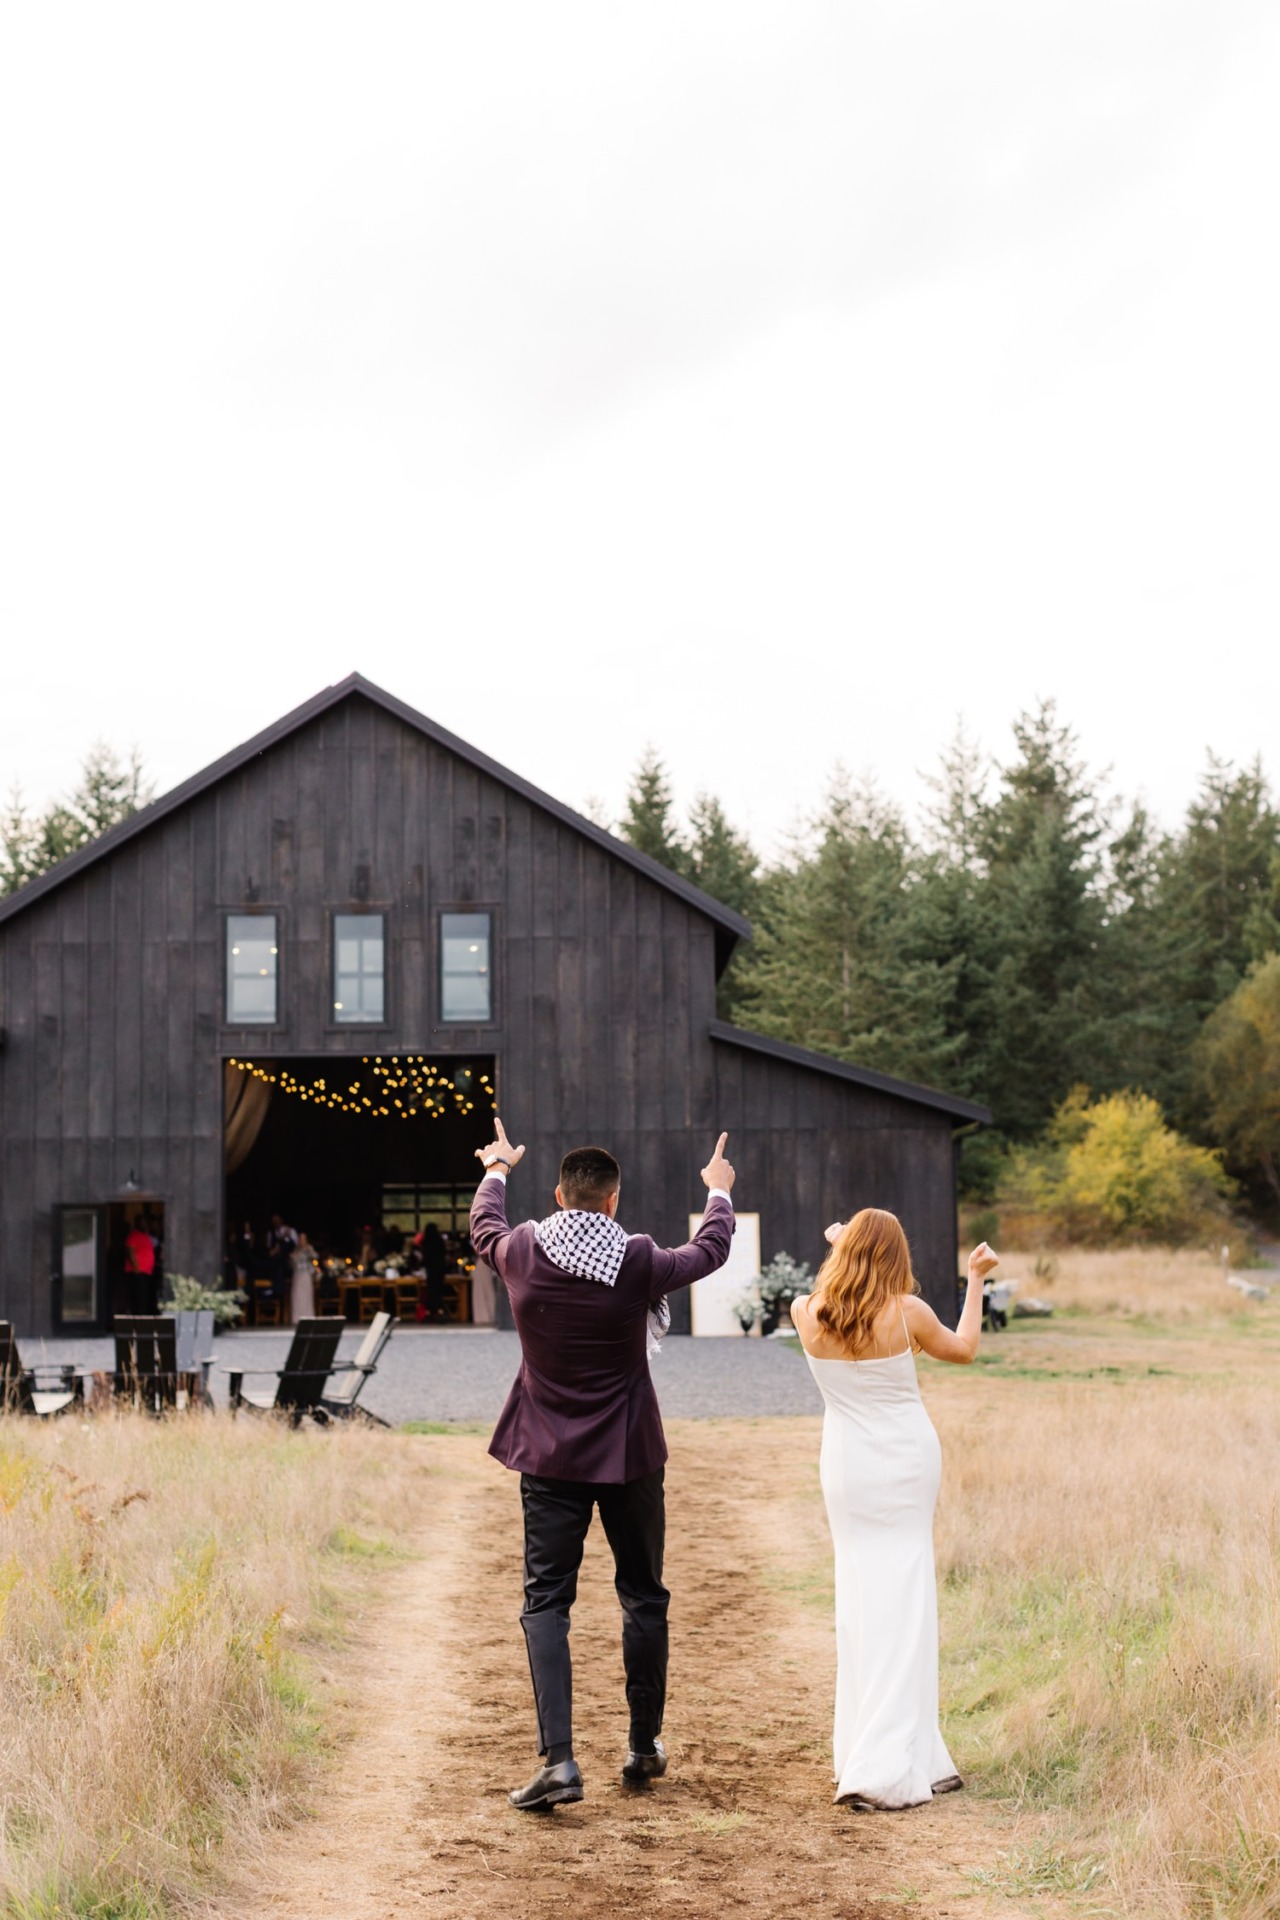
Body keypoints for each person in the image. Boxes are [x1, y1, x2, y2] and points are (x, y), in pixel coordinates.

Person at [469, 1116, 736, 1813]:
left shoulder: (523, 1251)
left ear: (561, 1195)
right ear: (612, 1201)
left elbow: (484, 1224)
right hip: (630, 1454)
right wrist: (718, 1191)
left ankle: (559, 1761)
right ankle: (643, 1747)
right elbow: (708, 1252)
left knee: (546, 1603)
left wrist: (497, 1166)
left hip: (548, 1456)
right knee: (643, 1595)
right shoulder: (639, 1257)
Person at [789, 1213, 999, 1811]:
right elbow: (963, 1351)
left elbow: (844, 1281)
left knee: (860, 1597)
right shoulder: (907, 1312)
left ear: (844, 1252)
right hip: (906, 1462)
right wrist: (975, 1279)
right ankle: (885, 1764)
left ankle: (915, 1752)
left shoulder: (808, 1311)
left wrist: (839, 1242)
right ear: (896, 1255)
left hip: (847, 1468)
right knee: (906, 1597)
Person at [290, 1230, 316, 1323]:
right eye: (300, 1238)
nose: (302, 1240)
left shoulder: (308, 1248)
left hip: (306, 1274)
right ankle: (297, 1318)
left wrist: (309, 1250)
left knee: (306, 1296)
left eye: (303, 1238)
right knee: (297, 1296)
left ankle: (308, 1316)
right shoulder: (296, 1250)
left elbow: (315, 1256)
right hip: (297, 1274)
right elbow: (292, 1263)